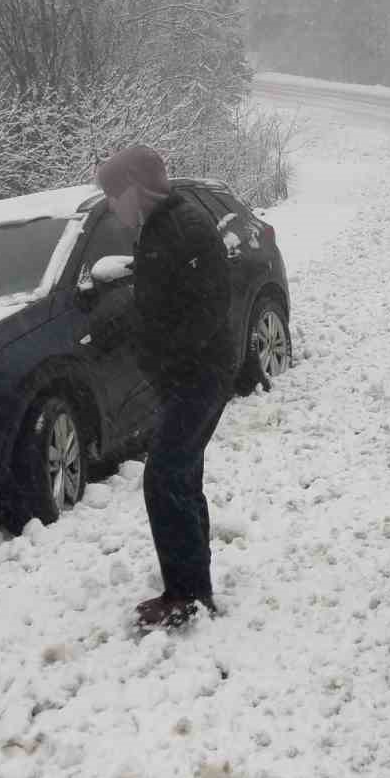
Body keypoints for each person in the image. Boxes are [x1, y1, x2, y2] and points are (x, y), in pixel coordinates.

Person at [94, 144, 267, 630]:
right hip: (188, 376)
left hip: (199, 375)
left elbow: (206, 309)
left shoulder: (182, 229)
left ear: (133, 188)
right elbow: (166, 302)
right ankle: (193, 589)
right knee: (181, 478)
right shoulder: (161, 230)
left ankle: (186, 593)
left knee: (165, 478)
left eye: (113, 194)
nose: (111, 204)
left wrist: (167, 354)